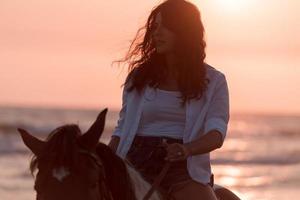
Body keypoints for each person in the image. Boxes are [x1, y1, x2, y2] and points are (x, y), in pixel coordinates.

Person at [108, 0, 229, 199]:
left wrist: (186, 149)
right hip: (133, 160)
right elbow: (122, 129)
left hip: (182, 165)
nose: (157, 32)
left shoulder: (215, 81)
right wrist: (105, 158)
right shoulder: (139, 78)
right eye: (155, 27)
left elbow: (216, 134)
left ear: (184, 30)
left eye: (166, 26)